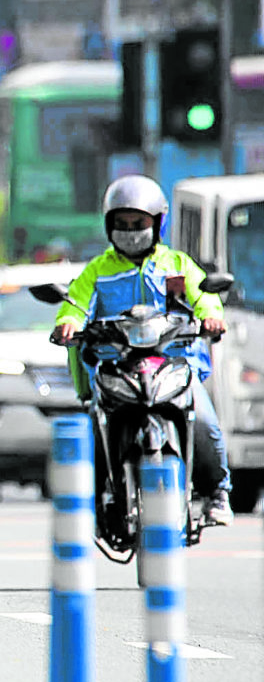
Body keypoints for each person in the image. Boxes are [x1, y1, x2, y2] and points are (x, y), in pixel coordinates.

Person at [50, 174, 233, 526]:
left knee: (206, 420)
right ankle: (94, 500)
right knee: (92, 427)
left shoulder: (178, 265)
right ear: (108, 226)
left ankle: (217, 494)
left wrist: (211, 317)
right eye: (122, 224)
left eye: (139, 223)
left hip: (174, 367)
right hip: (116, 369)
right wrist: (69, 322)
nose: (131, 231)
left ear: (158, 224)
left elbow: (204, 297)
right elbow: (75, 304)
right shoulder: (96, 271)